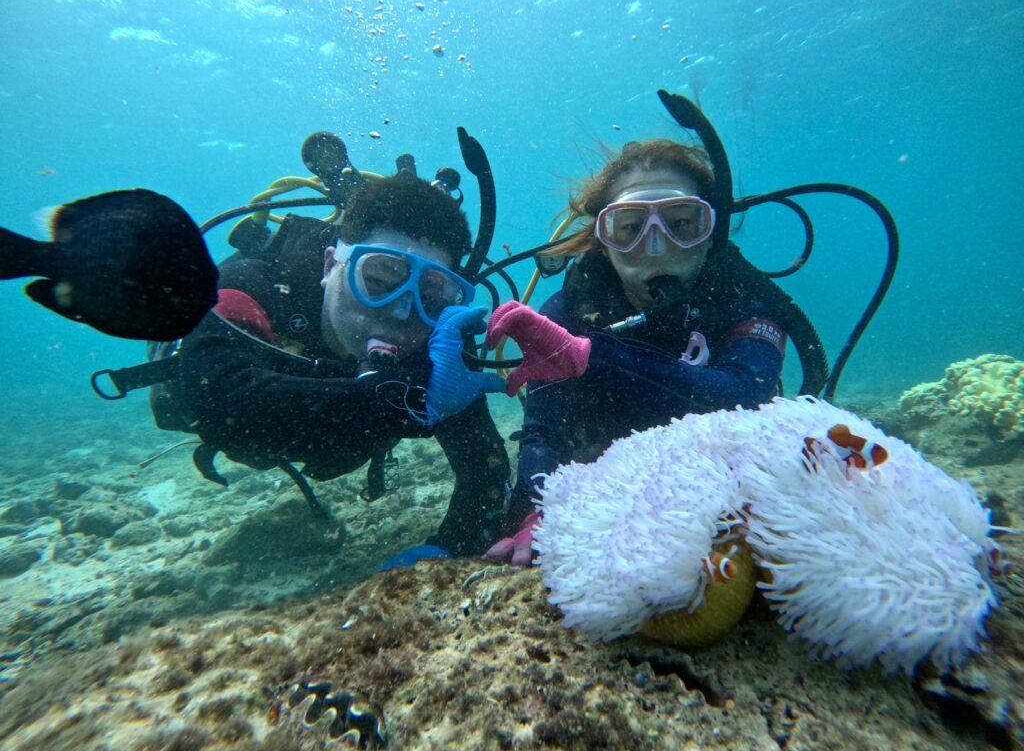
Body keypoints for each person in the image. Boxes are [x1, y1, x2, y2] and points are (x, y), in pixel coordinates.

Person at [175, 171, 510, 565]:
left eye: (431, 294)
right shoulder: (255, 285)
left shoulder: (439, 335)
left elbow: (487, 474)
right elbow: (215, 401)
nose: (401, 311)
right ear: (330, 263)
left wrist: (452, 548)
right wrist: (402, 400)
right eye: (379, 279)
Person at [484, 139, 788, 564]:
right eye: (630, 228)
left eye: (681, 223)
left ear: (711, 234)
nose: (656, 245)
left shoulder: (743, 301)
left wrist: (594, 357)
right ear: (603, 241)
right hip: (602, 496)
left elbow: (742, 394)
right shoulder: (571, 310)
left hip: (728, 495)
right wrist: (536, 509)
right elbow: (544, 432)